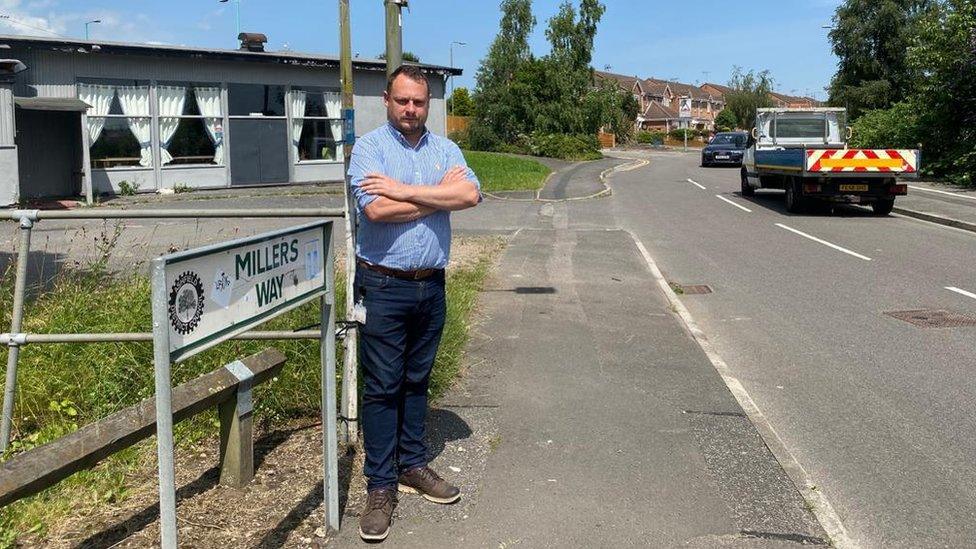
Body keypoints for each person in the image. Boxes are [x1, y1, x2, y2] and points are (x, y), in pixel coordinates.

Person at [347, 64, 481, 542]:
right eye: (402, 100)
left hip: (432, 285)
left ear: (428, 104)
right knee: (383, 385)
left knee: (417, 379)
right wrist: (437, 198)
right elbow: (376, 210)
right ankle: (380, 486)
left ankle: (412, 465)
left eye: (419, 102)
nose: (410, 109)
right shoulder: (369, 149)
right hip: (382, 285)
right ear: (387, 99)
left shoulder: (446, 149)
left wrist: (404, 189)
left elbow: (470, 193)